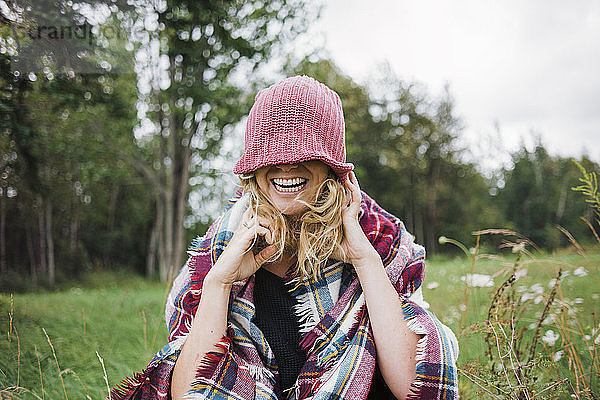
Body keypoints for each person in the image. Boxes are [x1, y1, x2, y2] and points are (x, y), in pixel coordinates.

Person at [111, 76, 458, 400]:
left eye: (303, 154)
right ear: (253, 169)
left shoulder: (379, 239)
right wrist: (220, 282)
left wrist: (364, 261)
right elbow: (190, 392)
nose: (286, 166)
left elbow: (413, 386)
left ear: (332, 167)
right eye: (271, 156)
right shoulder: (224, 243)